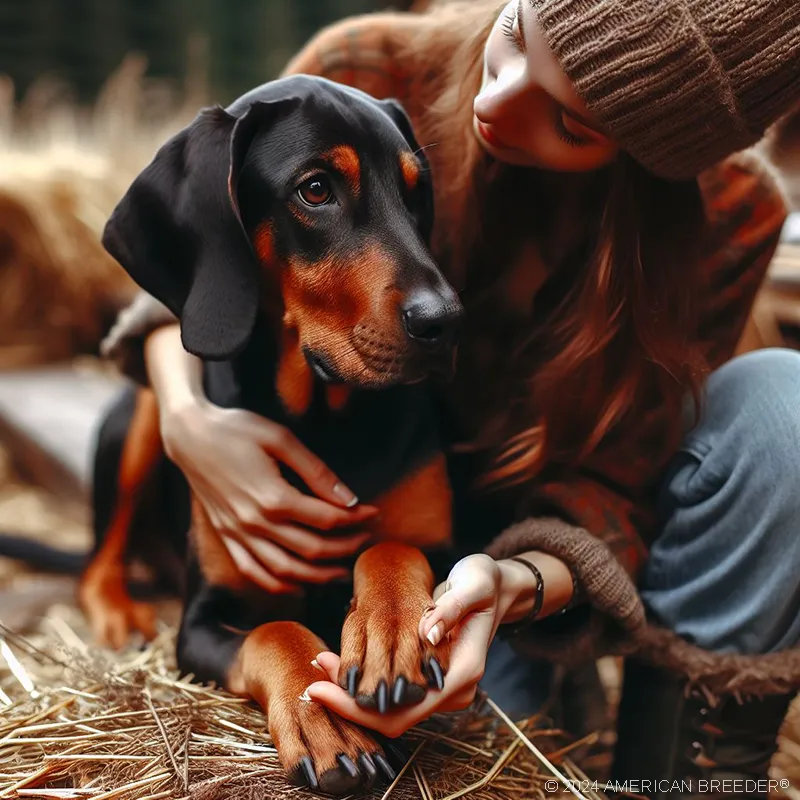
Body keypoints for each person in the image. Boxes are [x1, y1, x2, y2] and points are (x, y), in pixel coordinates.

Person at [101, 0, 800, 795]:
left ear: (644, 157)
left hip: (503, 564)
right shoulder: (367, 72)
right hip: (393, 519)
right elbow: (209, 244)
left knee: (789, 406)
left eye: (572, 122)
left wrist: (513, 589)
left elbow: (618, 483)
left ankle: (682, 765)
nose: (495, 102)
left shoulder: (734, 208)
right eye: (517, 37)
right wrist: (191, 424)